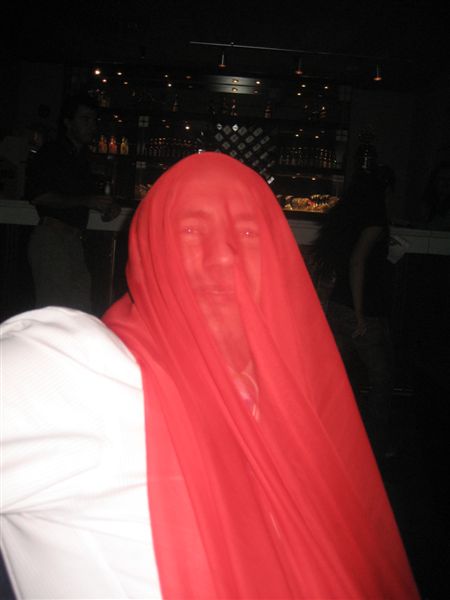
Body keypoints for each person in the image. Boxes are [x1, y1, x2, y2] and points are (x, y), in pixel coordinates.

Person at [1, 153, 419, 599]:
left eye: (248, 233)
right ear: (151, 247)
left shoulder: (291, 401)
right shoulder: (76, 367)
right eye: (191, 229)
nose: (222, 254)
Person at [311, 164, 396, 462]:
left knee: (341, 379)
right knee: (382, 379)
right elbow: (358, 263)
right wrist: (360, 313)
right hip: (362, 311)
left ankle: (334, 439)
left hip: (339, 307)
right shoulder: (374, 220)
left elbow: (336, 265)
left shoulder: (347, 219)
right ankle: (373, 446)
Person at [25, 93, 121, 313]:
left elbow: (83, 197)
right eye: (85, 119)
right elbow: (39, 196)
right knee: (57, 315)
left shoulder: (82, 158)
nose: (92, 126)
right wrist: (87, 200)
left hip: (72, 242)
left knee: (78, 312)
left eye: (93, 120)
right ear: (68, 123)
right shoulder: (51, 152)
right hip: (52, 239)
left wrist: (107, 207)